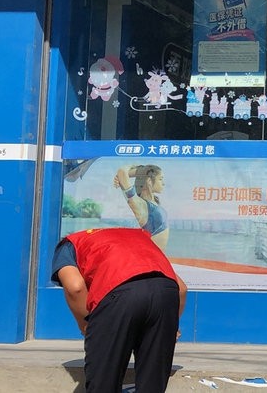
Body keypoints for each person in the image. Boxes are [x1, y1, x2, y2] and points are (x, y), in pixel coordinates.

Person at [51, 227, 187, 392]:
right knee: (153, 383)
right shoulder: (137, 238)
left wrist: (86, 325)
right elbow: (181, 289)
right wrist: (171, 326)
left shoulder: (68, 245)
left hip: (118, 295)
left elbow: (75, 287)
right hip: (166, 292)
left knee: (104, 380)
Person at [114, 164, 169, 251]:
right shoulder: (139, 204)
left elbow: (122, 175)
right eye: (160, 179)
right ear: (149, 181)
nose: (163, 183)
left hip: (157, 256)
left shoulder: (153, 201)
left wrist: (142, 170)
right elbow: (122, 172)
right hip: (149, 256)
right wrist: (136, 167)